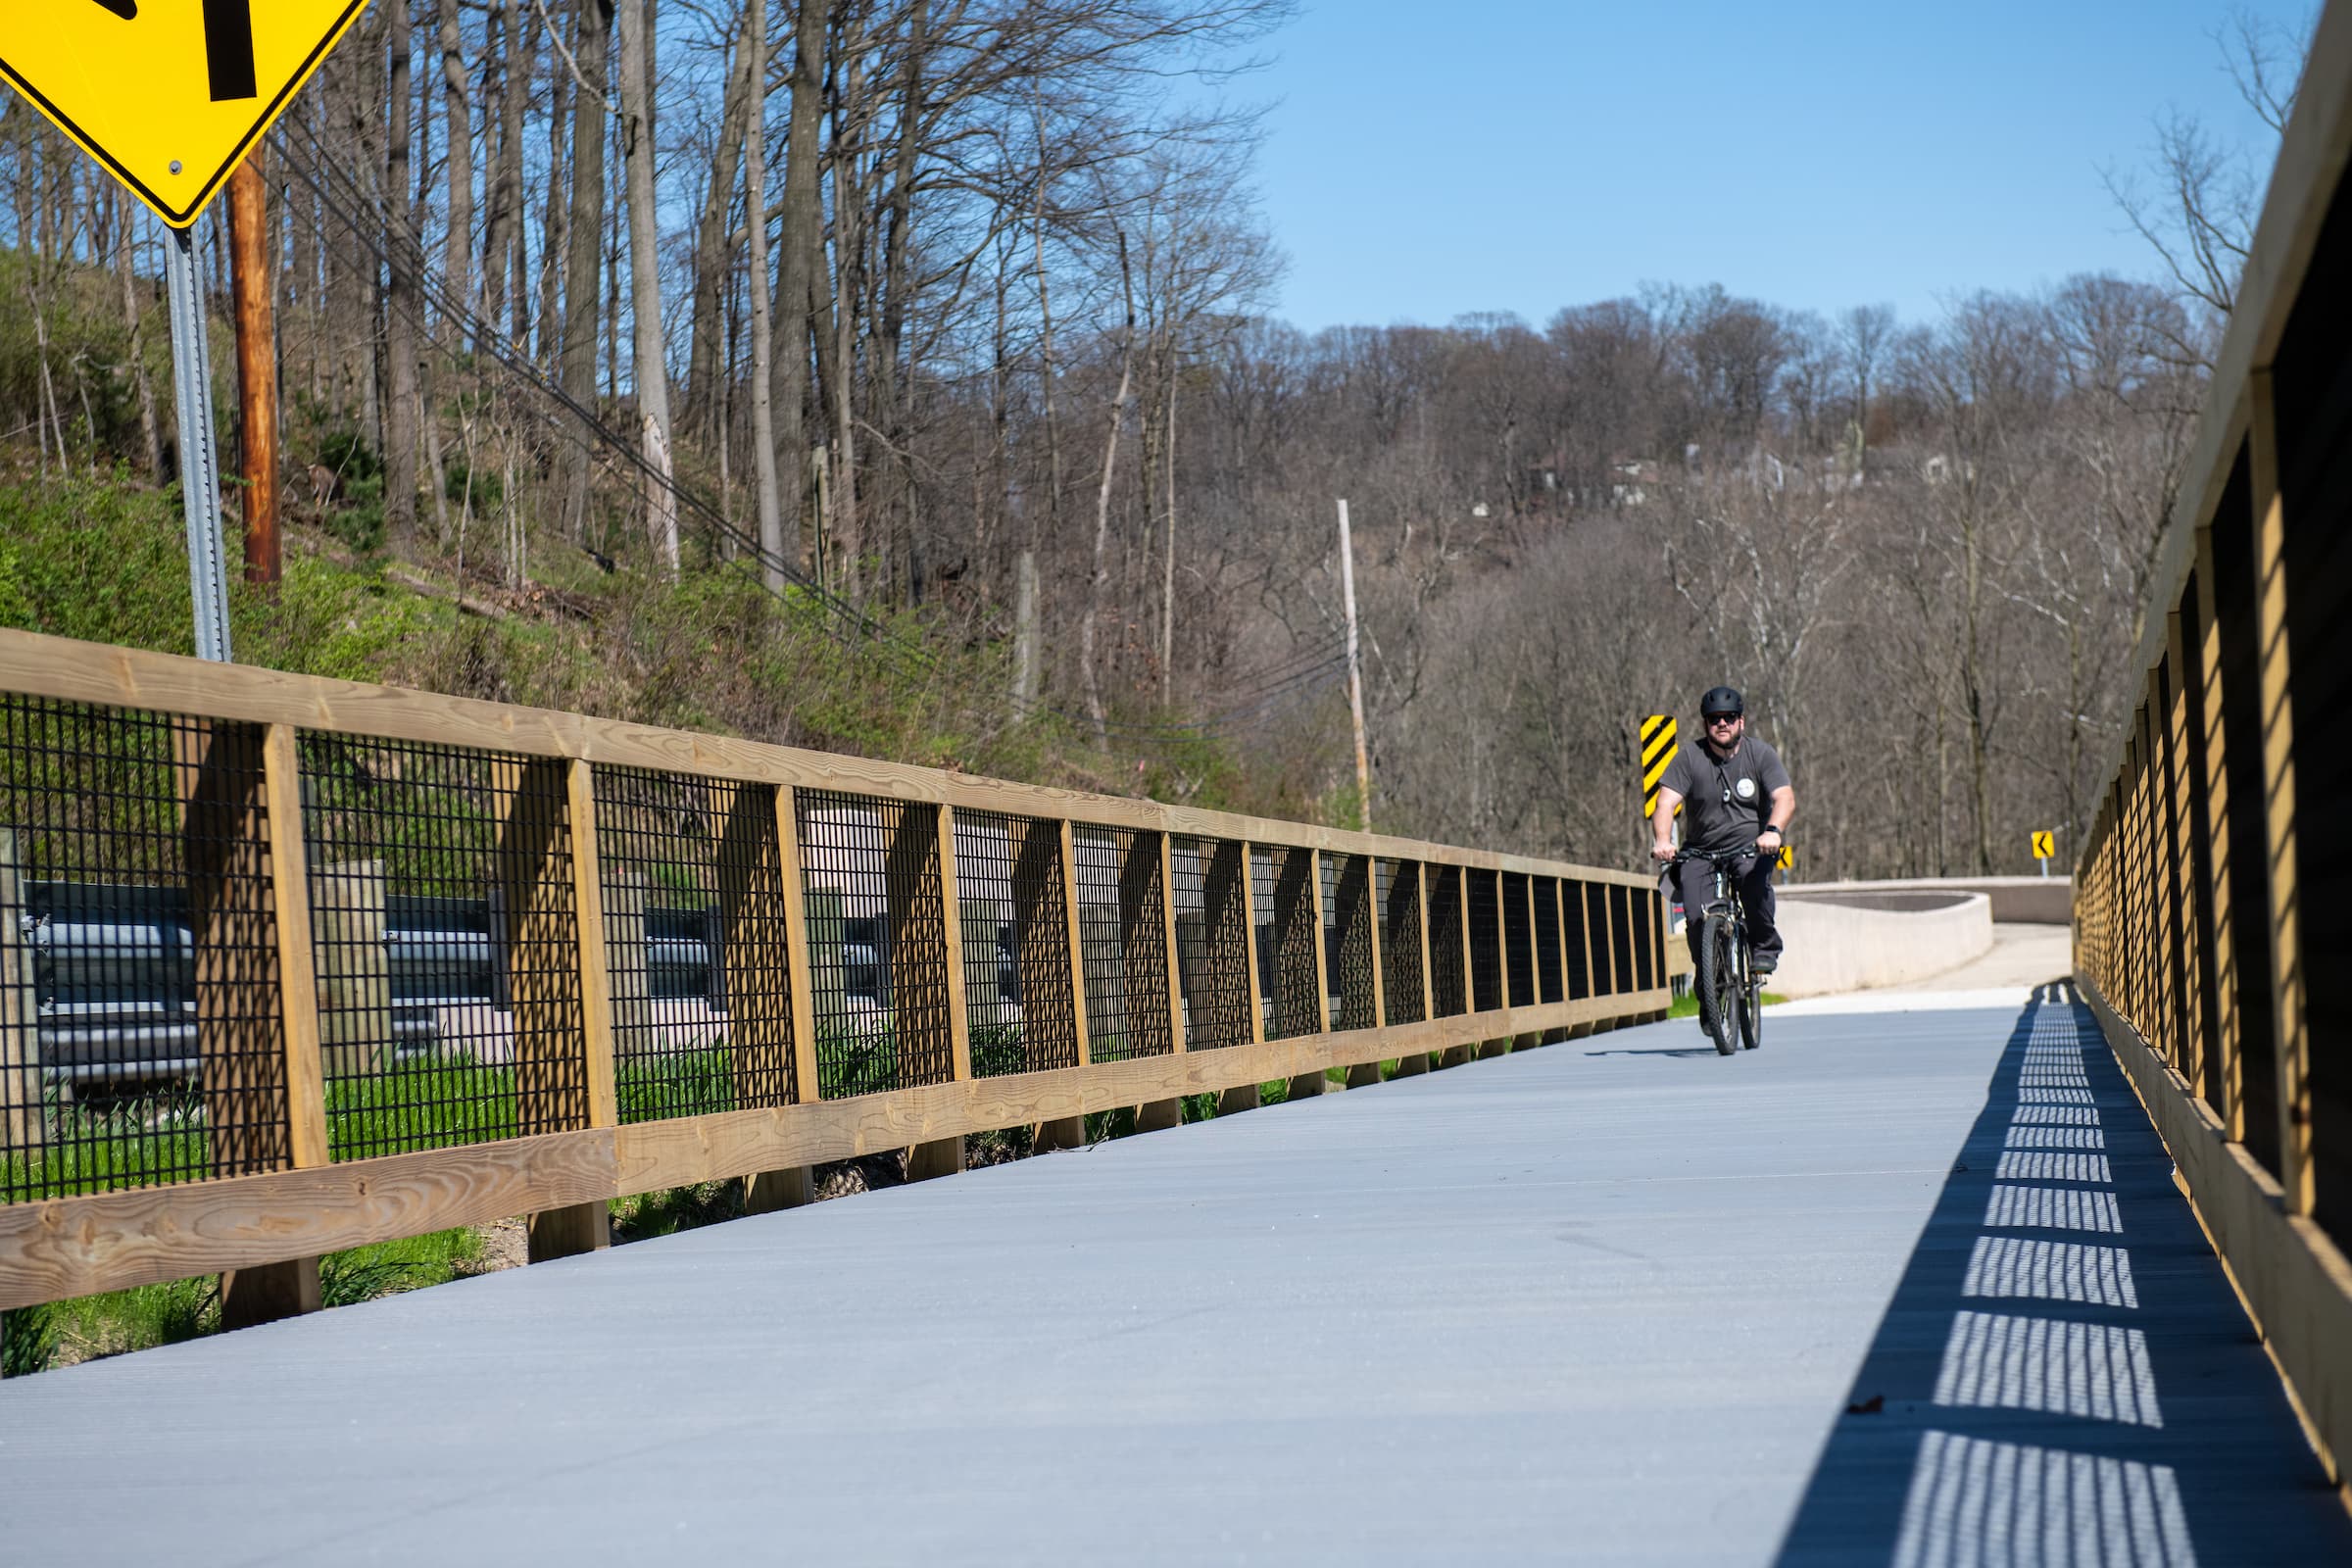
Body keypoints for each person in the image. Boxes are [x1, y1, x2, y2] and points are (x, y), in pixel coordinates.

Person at [1649, 686, 1793, 977]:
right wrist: (1663, 841)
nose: (1722, 724)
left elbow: (1785, 798)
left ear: (1742, 721)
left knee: (1754, 888)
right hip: (1700, 850)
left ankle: (1763, 948)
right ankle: (1709, 979)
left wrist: (1774, 832)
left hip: (1750, 847)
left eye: (1729, 717)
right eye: (1715, 719)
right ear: (1706, 724)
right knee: (1694, 913)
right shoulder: (1689, 757)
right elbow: (1665, 803)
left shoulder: (1761, 754)